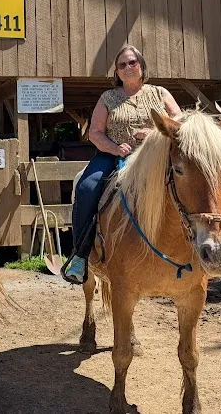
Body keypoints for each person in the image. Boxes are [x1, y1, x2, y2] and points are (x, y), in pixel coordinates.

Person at [63, 45, 182, 283]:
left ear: (141, 66)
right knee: (87, 187)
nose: (127, 68)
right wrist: (114, 147)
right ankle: (80, 254)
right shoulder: (108, 98)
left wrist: (152, 134)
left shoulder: (160, 93)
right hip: (113, 155)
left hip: (154, 158)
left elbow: (179, 125)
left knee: (185, 185)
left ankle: (200, 247)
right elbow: (95, 133)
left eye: (132, 63)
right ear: (116, 72)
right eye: (122, 65)